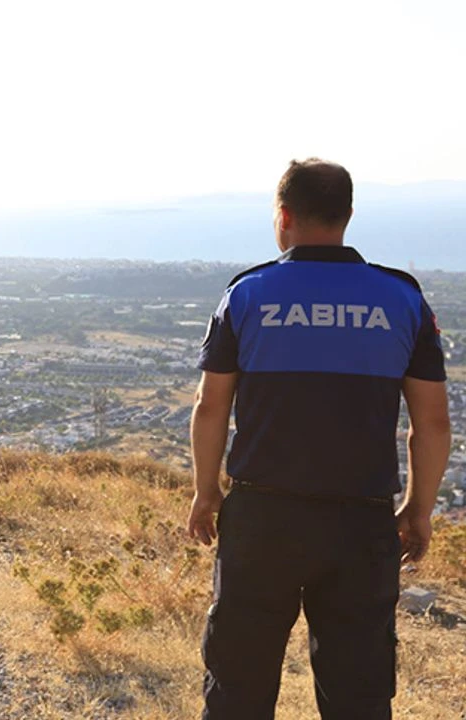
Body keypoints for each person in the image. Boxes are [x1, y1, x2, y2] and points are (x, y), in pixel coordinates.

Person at [187, 158, 452, 719]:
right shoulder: (401, 298)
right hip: (360, 522)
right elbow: (431, 424)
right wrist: (418, 509)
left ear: (282, 215)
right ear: (348, 216)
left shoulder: (247, 294)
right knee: (358, 694)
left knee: (238, 685)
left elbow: (211, 406)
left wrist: (206, 491)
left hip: (263, 518)